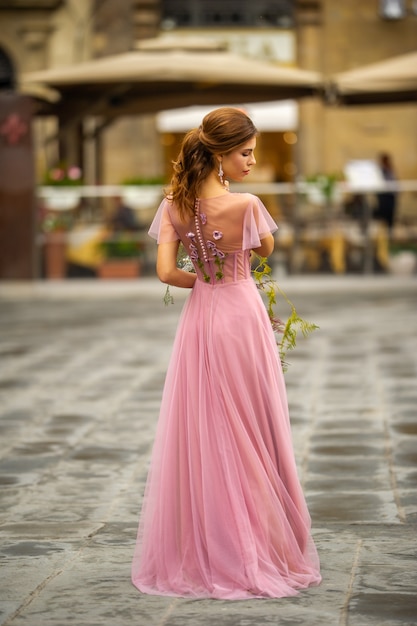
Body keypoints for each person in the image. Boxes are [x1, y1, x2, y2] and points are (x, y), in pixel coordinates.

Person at [131, 107, 321, 600]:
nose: (252, 160)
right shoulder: (247, 205)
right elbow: (266, 251)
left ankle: (210, 544)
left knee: (208, 423)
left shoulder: (174, 203)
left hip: (201, 317)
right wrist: (226, 278)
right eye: (245, 151)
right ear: (219, 155)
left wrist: (207, 282)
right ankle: (261, 544)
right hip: (240, 314)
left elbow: (167, 274)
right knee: (253, 421)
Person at [374, 153, 398, 232]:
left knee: (390, 216)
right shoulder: (381, 170)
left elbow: (394, 181)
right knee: (383, 216)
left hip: (390, 196)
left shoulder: (390, 170)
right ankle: (384, 233)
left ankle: (390, 232)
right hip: (384, 196)